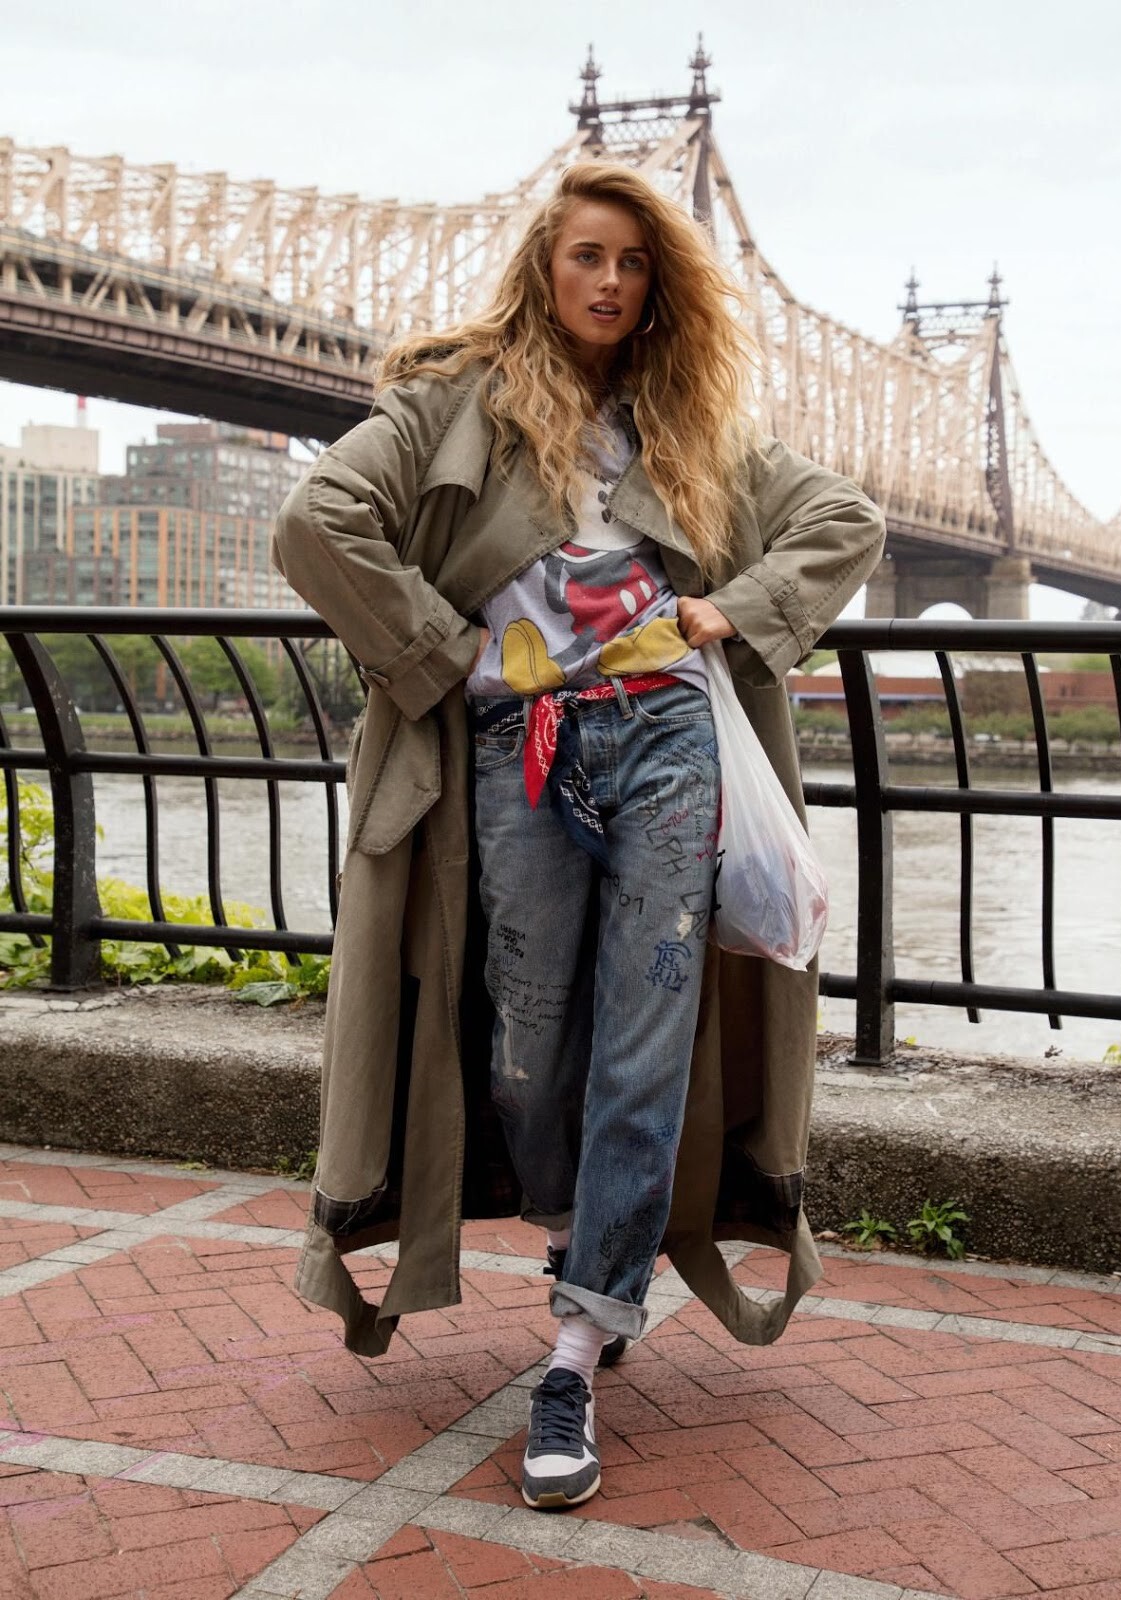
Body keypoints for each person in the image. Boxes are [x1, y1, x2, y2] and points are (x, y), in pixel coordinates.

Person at [273, 161, 885, 1511]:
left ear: (658, 284)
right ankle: (585, 1236)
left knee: (647, 1044)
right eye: (587, 256)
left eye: (634, 261)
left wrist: (730, 611)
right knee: (529, 1041)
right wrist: (449, 654)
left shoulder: (691, 420)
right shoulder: (453, 403)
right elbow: (318, 518)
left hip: (668, 740)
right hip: (521, 746)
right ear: (544, 270)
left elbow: (844, 519)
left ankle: (573, 1345)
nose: (610, 280)